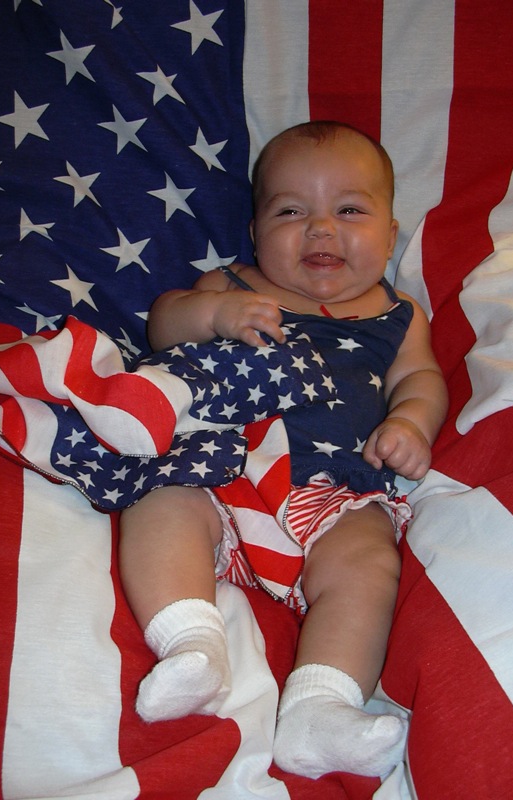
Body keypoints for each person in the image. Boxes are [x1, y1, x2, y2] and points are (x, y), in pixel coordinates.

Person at [119, 121, 448, 779]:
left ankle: (319, 707)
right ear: (254, 233)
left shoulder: (399, 313)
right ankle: (190, 640)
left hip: (334, 492)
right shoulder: (236, 286)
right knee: (159, 501)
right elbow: (162, 323)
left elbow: (422, 379)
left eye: (349, 210)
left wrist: (411, 423)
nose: (320, 229)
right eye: (291, 211)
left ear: (389, 235)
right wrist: (213, 318)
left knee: (367, 564)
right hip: (221, 471)